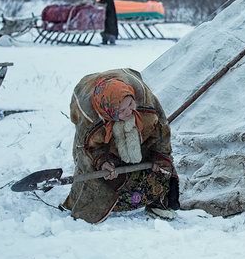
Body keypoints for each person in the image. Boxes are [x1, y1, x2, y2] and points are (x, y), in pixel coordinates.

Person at [61, 68, 180, 223]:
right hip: (101, 141)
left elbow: (161, 133)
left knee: (163, 168)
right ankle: (87, 202)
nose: (129, 111)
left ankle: (157, 202)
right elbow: (91, 148)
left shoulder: (145, 103)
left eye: (130, 104)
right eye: (122, 110)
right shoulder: (91, 121)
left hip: (138, 132)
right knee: (97, 183)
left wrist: (160, 159)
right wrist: (102, 162)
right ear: (109, 112)